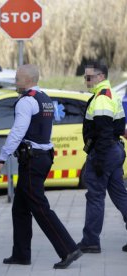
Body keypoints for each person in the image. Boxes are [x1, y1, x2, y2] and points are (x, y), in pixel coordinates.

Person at [0, 64, 82, 269]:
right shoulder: (45, 98)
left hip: (33, 160)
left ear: (28, 80)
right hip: (42, 156)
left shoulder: (26, 101)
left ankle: (68, 249)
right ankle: (21, 254)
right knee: (20, 208)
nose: (15, 82)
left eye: (17, 79)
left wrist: (2, 157)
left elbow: (17, 132)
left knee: (39, 207)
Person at [77, 61, 127, 254]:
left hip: (104, 151)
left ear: (100, 77)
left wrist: (98, 160)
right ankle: (90, 240)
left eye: (88, 77)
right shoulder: (110, 94)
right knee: (120, 194)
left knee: (95, 196)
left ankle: (90, 241)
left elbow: (104, 132)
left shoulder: (102, 99)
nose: (86, 80)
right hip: (113, 150)